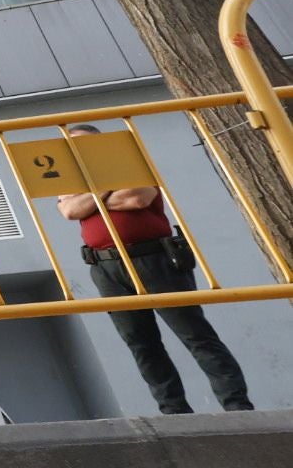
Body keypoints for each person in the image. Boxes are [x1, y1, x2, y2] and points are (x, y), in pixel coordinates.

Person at [56, 124, 253, 415]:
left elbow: (136, 199)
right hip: (106, 266)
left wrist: (90, 198)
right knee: (141, 343)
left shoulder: (132, 163)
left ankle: (237, 406)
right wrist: (107, 189)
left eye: (85, 144)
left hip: (154, 258)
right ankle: (173, 411)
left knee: (195, 334)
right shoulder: (69, 179)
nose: (80, 151)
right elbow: (70, 211)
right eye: (73, 146)